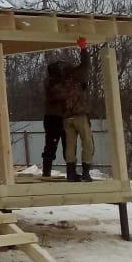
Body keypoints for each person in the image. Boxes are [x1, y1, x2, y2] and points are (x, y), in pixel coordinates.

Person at [56, 37, 94, 182]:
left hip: (67, 117)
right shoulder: (76, 75)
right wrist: (83, 48)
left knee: (70, 145)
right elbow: (85, 64)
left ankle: (71, 173)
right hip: (79, 114)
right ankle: (86, 172)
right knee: (87, 142)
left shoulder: (59, 82)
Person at [41, 59, 68, 178]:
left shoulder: (54, 82)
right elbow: (57, 95)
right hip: (54, 118)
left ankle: (70, 171)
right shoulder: (51, 82)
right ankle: (46, 172)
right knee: (51, 146)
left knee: (67, 146)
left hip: (59, 117)